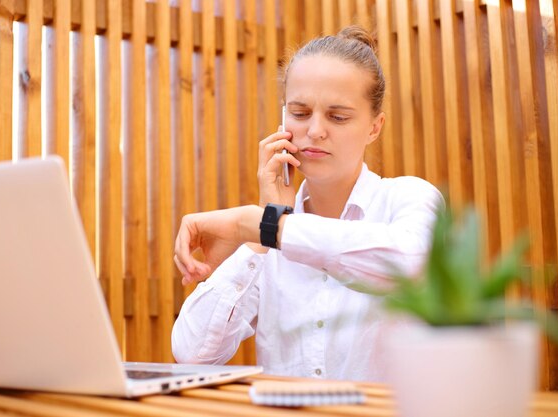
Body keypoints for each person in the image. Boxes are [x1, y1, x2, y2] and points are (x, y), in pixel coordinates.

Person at [171, 25, 443, 382]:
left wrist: (264, 226)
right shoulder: (269, 227)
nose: (315, 130)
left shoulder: (409, 198)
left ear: (375, 127)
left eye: (338, 116)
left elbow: (406, 263)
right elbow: (192, 354)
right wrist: (260, 237)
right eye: (299, 113)